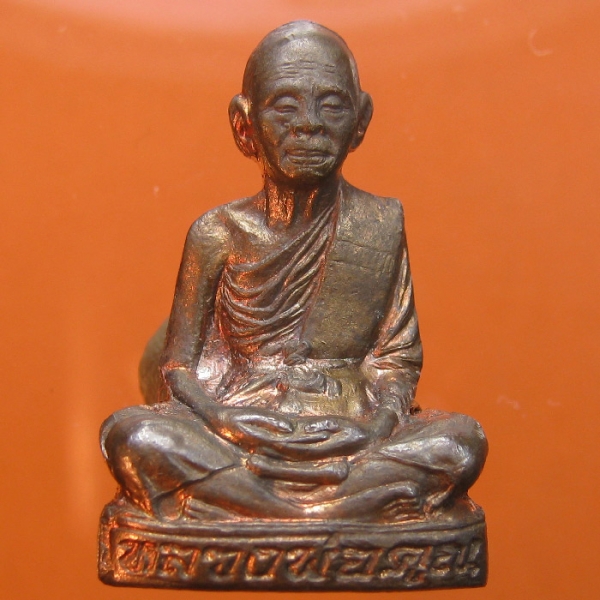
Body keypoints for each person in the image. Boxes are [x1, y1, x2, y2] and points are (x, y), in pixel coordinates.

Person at [101, 21, 487, 522]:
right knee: (131, 435)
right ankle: (336, 509)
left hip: (348, 429)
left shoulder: (378, 224)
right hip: (241, 426)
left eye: (332, 106)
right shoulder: (218, 232)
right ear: (244, 125)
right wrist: (223, 418)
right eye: (285, 106)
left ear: (361, 121)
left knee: (460, 442)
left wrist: (376, 426)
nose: (309, 125)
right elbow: (176, 368)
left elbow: (396, 359)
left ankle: (254, 504)